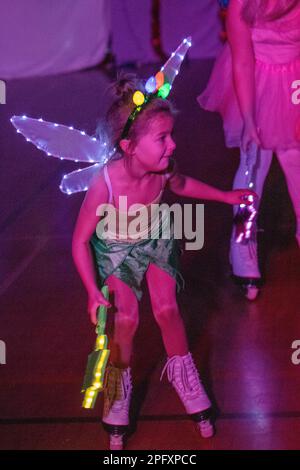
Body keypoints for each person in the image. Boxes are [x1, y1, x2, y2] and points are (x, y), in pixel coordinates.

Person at [71, 74, 255, 450]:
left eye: (171, 135)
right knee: (127, 318)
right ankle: (117, 391)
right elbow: (80, 240)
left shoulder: (162, 169)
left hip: (155, 238)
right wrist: (92, 290)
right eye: (163, 139)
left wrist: (225, 196)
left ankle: (186, 380)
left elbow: (182, 183)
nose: (173, 144)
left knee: (168, 309)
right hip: (116, 250)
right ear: (129, 146)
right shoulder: (104, 184)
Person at [198, 0, 300, 300]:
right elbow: (242, 61)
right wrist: (249, 119)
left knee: (296, 160)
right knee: (253, 164)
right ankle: (243, 247)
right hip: (255, 80)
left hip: (294, 80)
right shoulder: (242, 4)